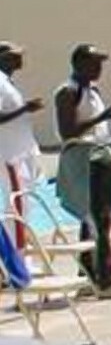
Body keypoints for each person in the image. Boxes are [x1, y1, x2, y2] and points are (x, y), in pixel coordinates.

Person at [54, 44, 111, 299]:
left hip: (100, 157)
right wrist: (101, 119)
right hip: (84, 160)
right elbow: (68, 132)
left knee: (94, 220)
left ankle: (87, 277)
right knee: (100, 220)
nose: (99, 68)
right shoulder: (68, 92)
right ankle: (107, 280)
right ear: (78, 64)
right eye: (94, 63)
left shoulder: (93, 91)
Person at [0, 43, 44, 248]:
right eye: (15, 55)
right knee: (18, 205)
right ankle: (17, 263)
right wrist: (25, 108)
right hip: (10, 155)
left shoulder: (7, 82)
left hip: (20, 152)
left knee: (24, 204)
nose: (20, 58)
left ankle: (17, 257)